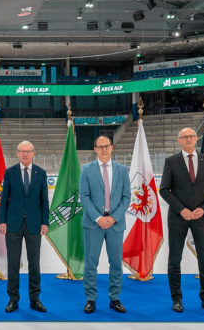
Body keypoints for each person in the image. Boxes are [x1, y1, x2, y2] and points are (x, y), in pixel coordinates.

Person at [159, 127, 204, 314]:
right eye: (184, 136)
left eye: (191, 136)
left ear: (196, 138)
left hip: (201, 217)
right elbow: (164, 189)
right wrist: (181, 209)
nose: (188, 139)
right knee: (175, 259)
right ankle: (176, 299)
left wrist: (203, 208)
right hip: (179, 217)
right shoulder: (171, 161)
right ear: (179, 140)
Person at [79, 135, 131, 314]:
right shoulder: (86, 169)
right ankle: (90, 299)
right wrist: (98, 218)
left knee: (116, 262)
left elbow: (126, 197)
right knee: (91, 263)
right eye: (100, 147)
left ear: (112, 148)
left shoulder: (122, 170)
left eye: (106, 146)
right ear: (95, 149)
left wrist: (114, 217)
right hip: (93, 224)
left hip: (115, 224)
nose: (103, 149)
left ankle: (115, 297)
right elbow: (84, 196)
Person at [0, 140, 49, 313]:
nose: (25, 154)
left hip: (34, 224)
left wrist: (45, 222)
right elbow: (4, 199)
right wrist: (2, 221)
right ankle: (13, 299)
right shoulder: (10, 172)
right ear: (17, 153)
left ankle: (35, 299)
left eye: (28, 151)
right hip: (13, 224)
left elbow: (44, 201)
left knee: (34, 264)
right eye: (21, 151)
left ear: (33, 153)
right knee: (13, 263)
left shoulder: (41, 173)